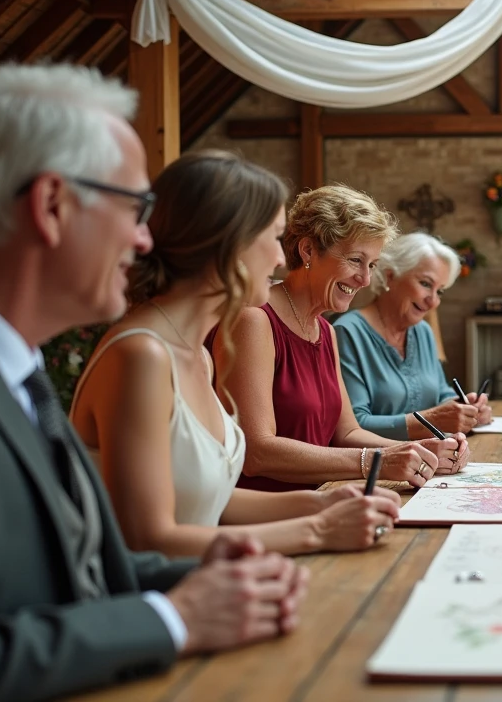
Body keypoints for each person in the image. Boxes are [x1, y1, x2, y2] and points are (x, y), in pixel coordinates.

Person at [0, 63, 307, 701]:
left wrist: (195, 577)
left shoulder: (17, 368)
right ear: (52, 205)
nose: (146, 238)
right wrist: (172, 620)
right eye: (132, 206)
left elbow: (82, 568)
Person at [71, 151, 401, 558]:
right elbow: (146, 541)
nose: (282, 257)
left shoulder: (198, 354)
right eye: (272, 237)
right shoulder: (141, 355)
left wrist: (322, 503)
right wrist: (317, 530)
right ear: (227, 243)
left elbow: (215, 502)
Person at [215, 185, 468, 493]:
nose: (364, 279)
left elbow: (346, 433)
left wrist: (422, 451)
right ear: (308, 250)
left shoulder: (325, 330)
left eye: (372, 265)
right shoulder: (254, 319)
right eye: (355, 260)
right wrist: (378, 460)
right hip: (267, 518)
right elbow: (256, 452)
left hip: (326, 501)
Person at [336, 232, 492, 439]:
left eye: (440, 291)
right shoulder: (346, 333)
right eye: (426, 284)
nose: (433, 301)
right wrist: (432, 419)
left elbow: (440, 394)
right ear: (390, 276)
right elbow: (354, 424)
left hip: (433, 460)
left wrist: (466, 407)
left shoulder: (423, 331)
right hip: (377, 466)